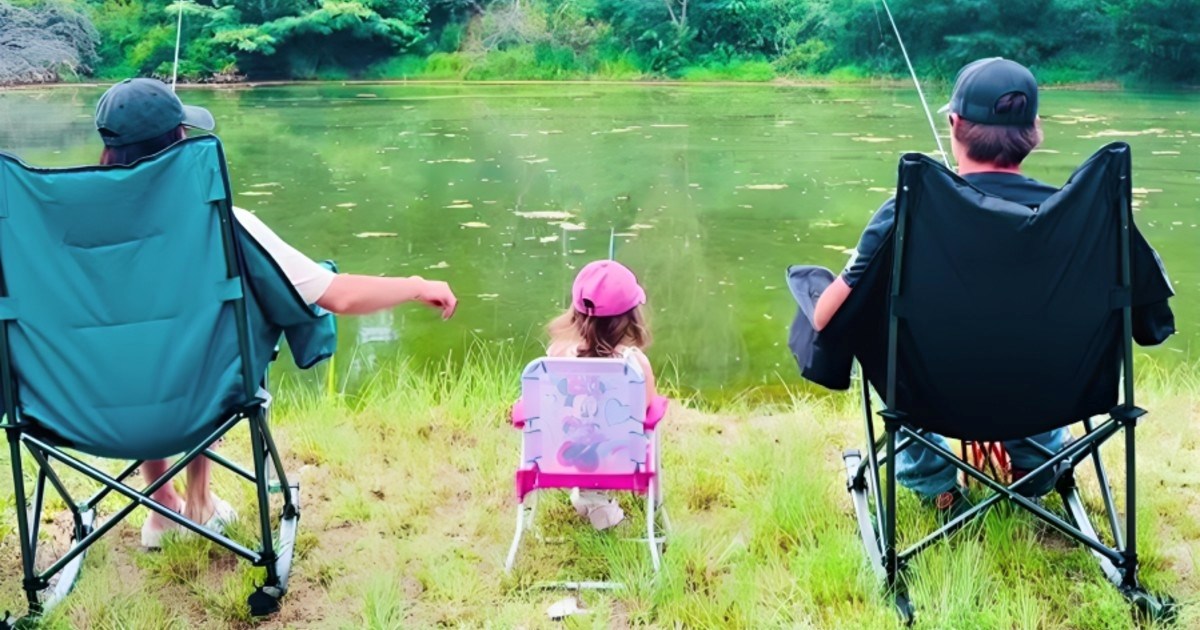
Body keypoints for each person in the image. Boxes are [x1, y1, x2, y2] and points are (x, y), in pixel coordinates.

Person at [92, 78, 459, 548]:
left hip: (95, 401)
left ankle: (162, 508)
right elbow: (336, 295)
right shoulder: (225, 225)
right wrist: (416, 285)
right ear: (181, 144)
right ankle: (199, 503)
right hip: (202, 395)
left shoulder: (64, 239)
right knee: (211, 346)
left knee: (140, 351)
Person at [811, 58, 1070, 515]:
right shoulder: (1076, 216)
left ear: (954, 124)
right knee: (1033, 350)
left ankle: (937, 486)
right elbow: (1147, 320)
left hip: (931, 397)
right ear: (1035, 132)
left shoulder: (904, 212)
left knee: (870, 329)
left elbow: (825, 318)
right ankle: (1038, 465)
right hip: (1043, 394)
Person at [545, 260, 656, 530]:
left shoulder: (556, 355)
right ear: (631, 318)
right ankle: (598, 506)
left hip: (564, 455)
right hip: (619, 457)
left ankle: (589, 496)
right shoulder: (635, 364)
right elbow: (648, 409)